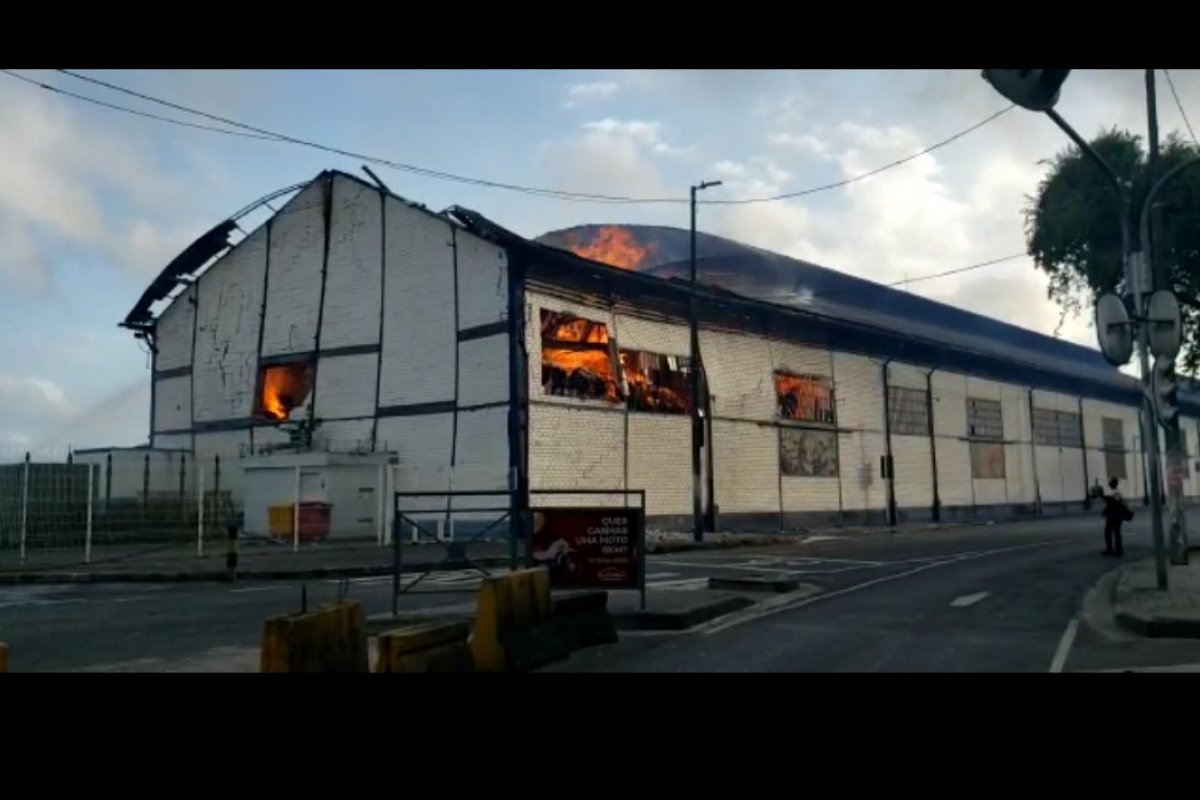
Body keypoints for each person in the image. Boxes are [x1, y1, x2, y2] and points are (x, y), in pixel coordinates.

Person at [1102, 477, 1128, 558]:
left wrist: (1105, 498)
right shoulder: (1114, 492)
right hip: (1113, 515)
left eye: (1110, 482)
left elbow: (1114, 503)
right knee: (1110, 532)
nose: (1109, 484)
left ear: (1113, 484)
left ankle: (1117, 551)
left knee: (1114, 532)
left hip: (1115, 515)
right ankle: (1111, 549)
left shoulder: (1116, 492)